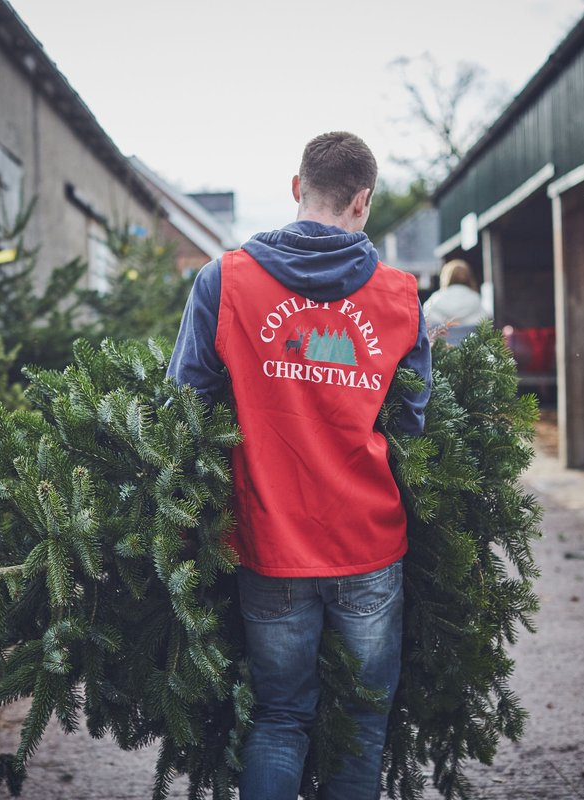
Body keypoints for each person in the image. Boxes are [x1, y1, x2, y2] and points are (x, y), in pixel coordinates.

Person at [167, 131, 432, 799]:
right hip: (368, 546)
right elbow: (410, 427)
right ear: (362, 201)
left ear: (296, 188)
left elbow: (183, 409)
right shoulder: (400, 296)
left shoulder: (224, 281)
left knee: (281, 718)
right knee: (364, 722)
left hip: (267, 541)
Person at [421, 259, 489, 332]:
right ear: (469, 277)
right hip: (471, 342)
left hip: (441, 342)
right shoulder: (477, 300)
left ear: (445, 277)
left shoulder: (434, 300)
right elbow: (485, 323)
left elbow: (426, 322)